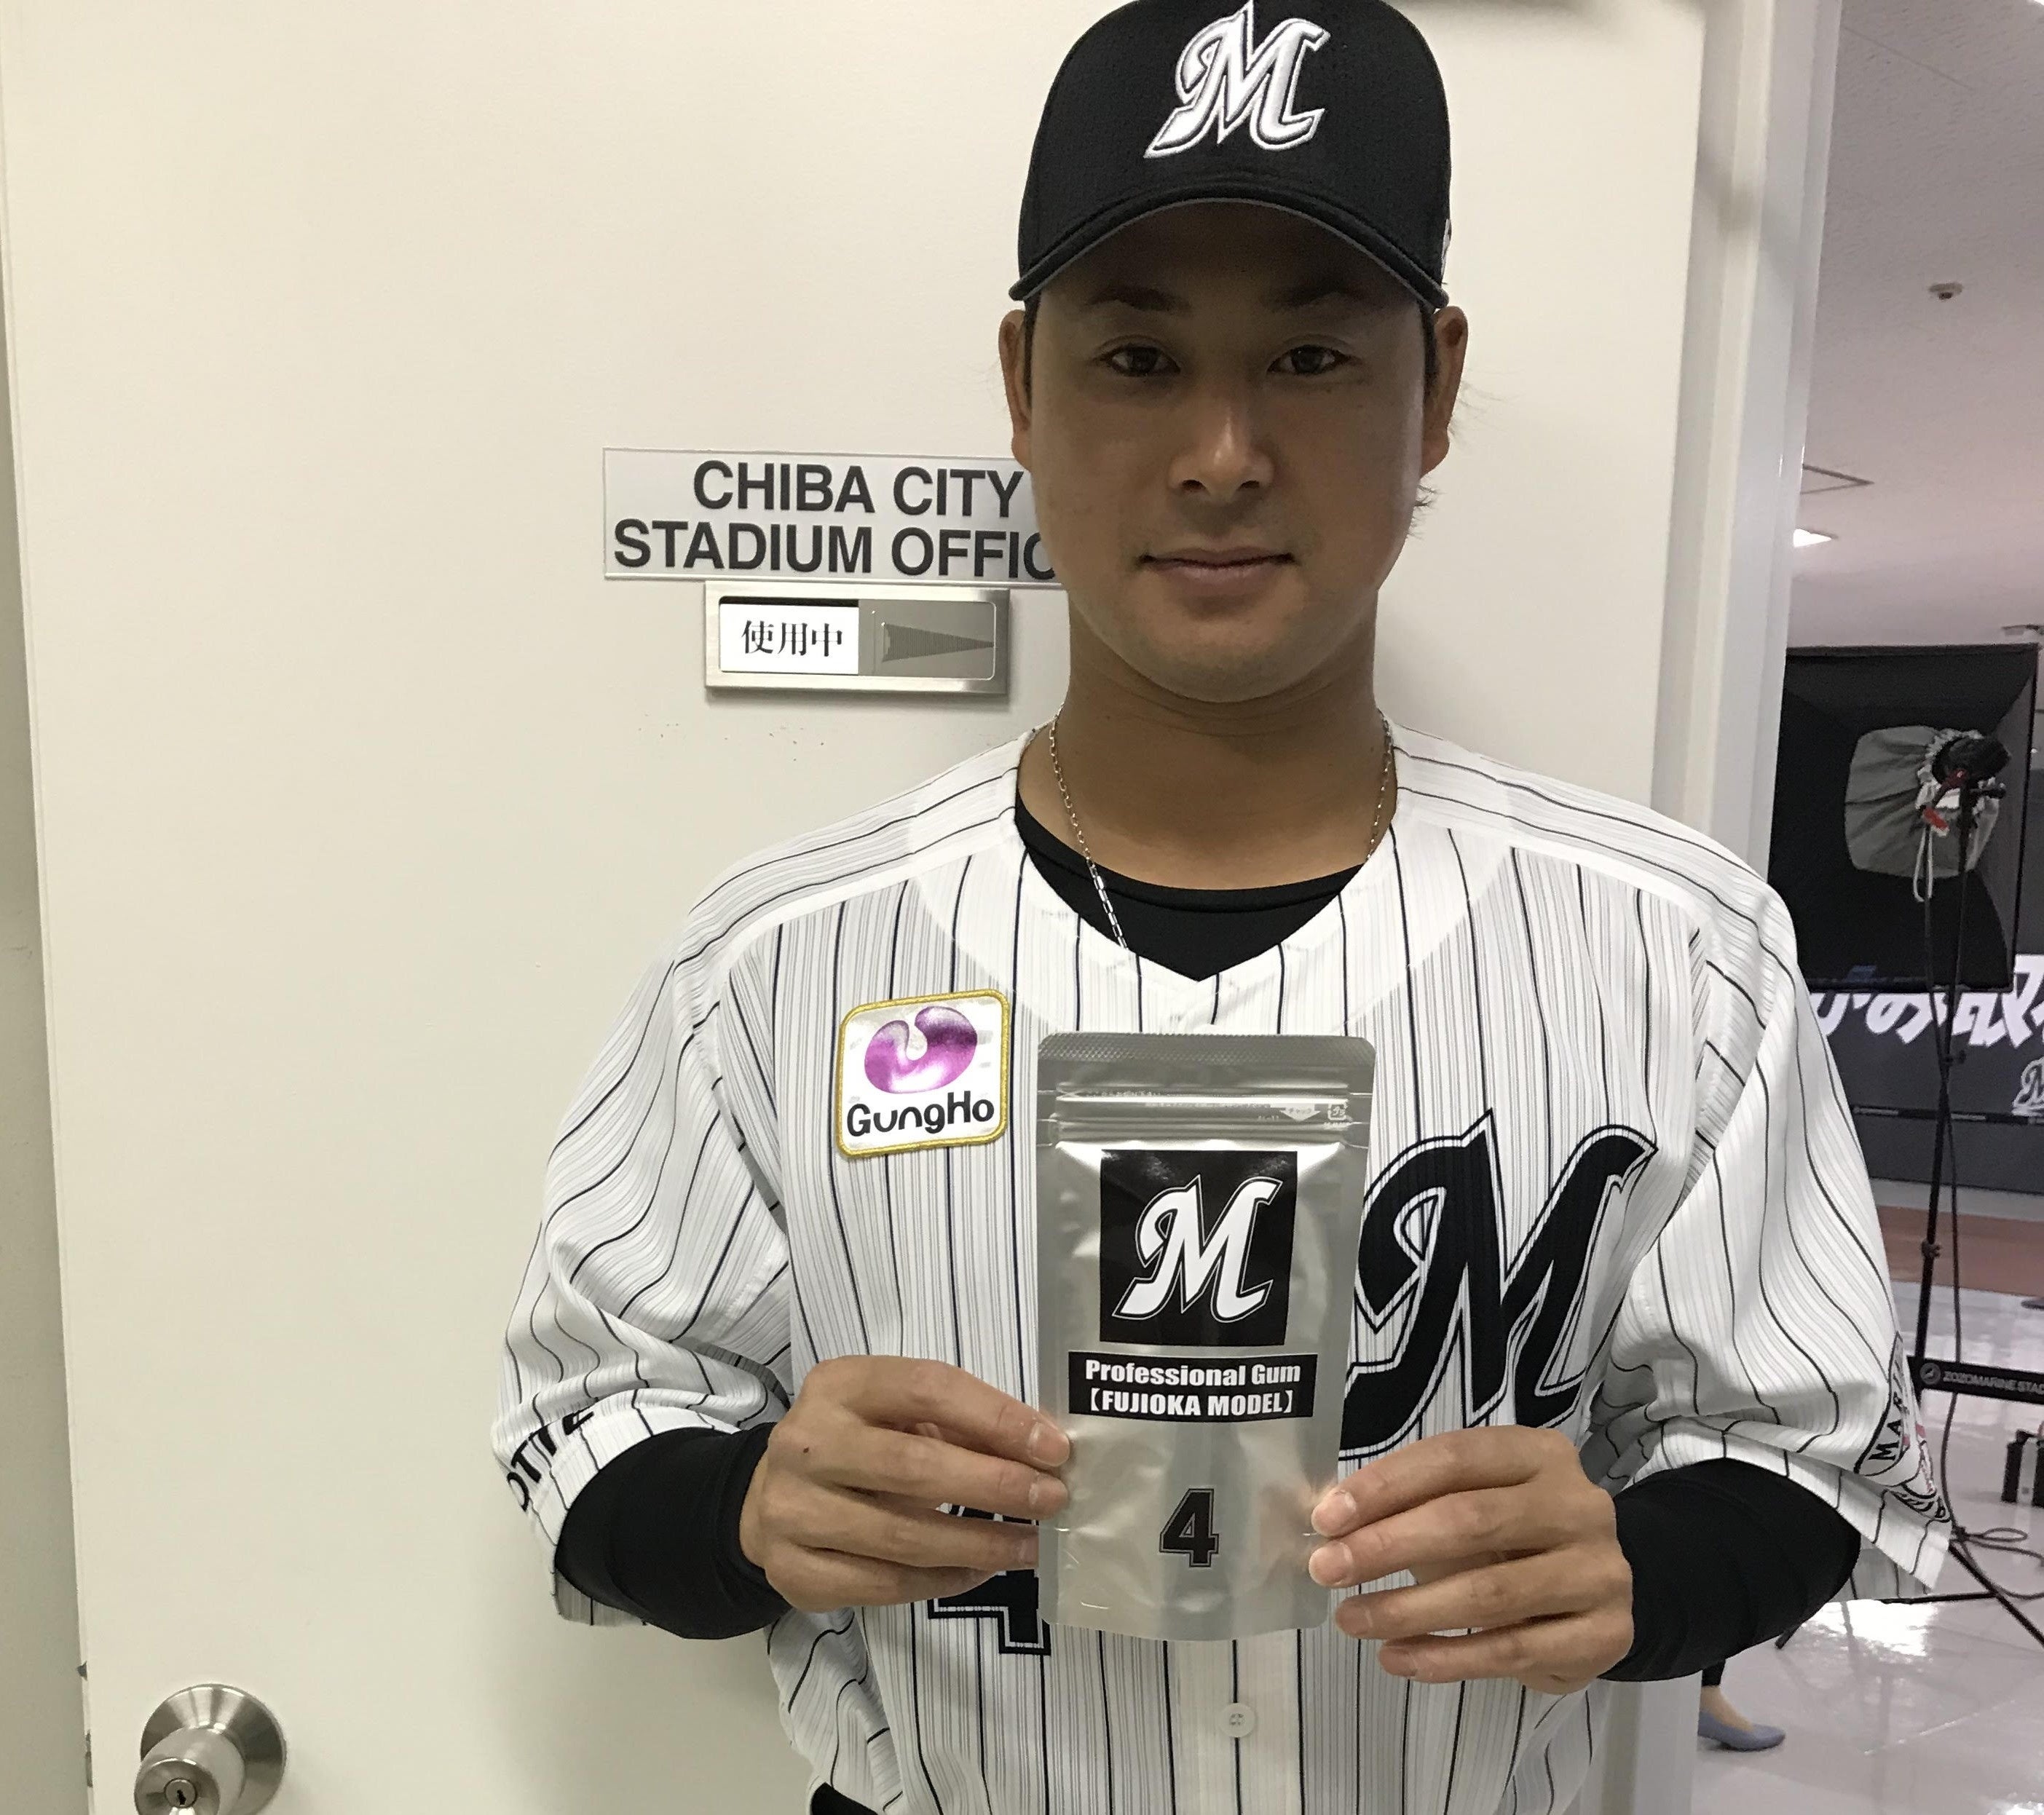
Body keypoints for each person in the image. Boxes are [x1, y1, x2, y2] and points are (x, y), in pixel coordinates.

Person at [494, 4, 1947, 1811]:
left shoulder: (1683, 950)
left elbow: (1808, 1450)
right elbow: (586, 1418)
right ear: (1024, 384)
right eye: (1139, 355)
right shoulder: (774, 958)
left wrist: (1643, 1570)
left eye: (1314, 354)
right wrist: (746, 1506)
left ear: (1435, 384)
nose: (1223, 450)